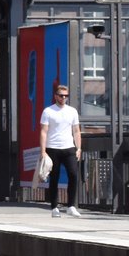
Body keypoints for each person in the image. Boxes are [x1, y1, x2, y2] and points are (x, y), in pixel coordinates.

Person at [41, 84, 82, 217]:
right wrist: (43, 151)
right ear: (55, 96)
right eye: (61, 95)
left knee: (73, 174)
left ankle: (71, 206)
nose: (63, 98)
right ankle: (54, 207)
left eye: (66, 96)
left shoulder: (72, 111)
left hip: (69, 147)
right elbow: (43, 132)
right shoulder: (48, 111)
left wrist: (79, 147)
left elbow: (76, 131)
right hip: (53, 148)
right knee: (55, 177)